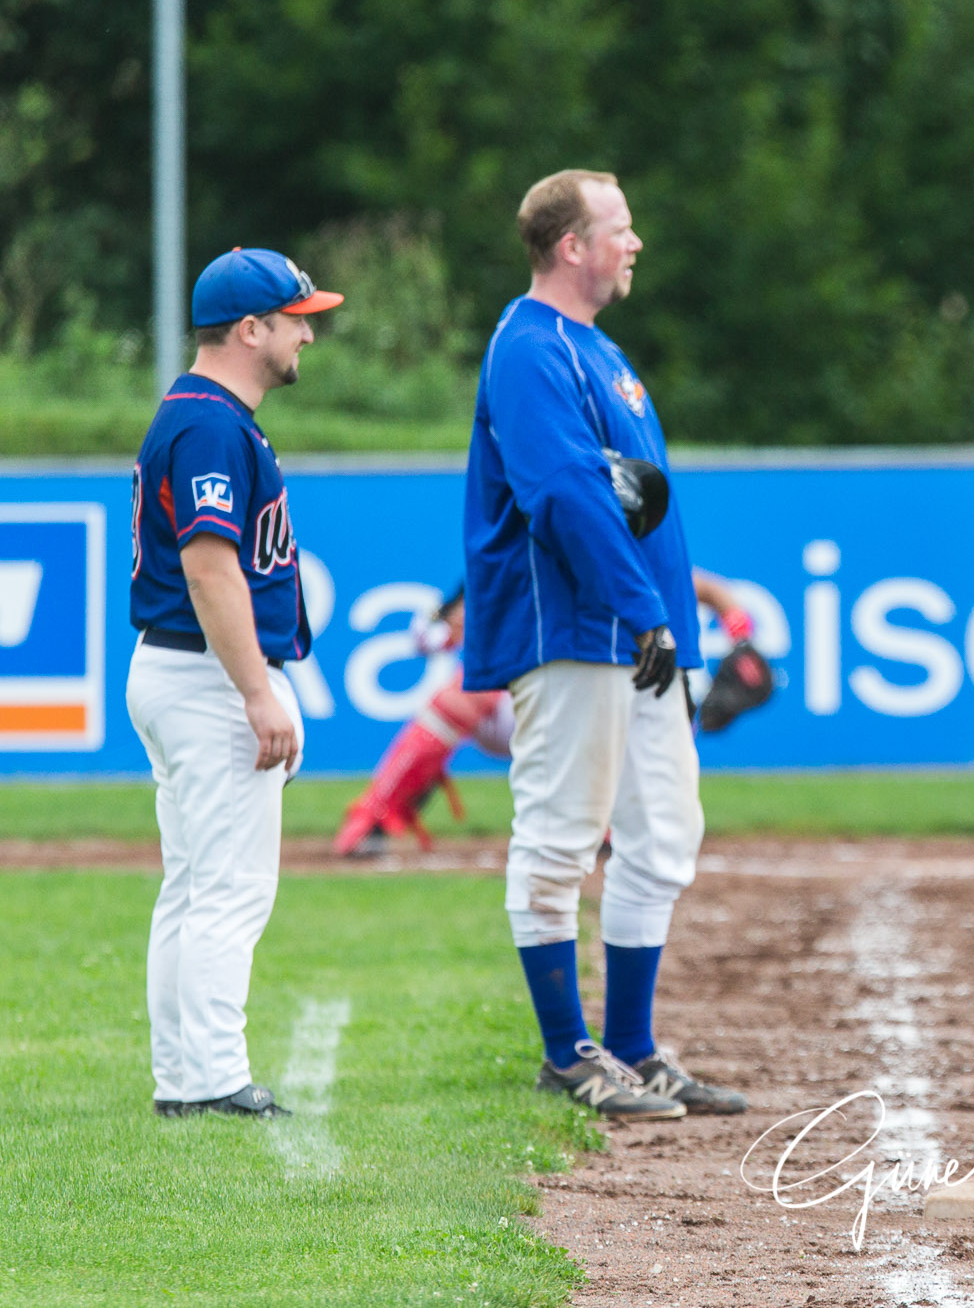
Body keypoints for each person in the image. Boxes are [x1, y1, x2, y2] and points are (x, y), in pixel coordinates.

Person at [462, 169, 745, 1121]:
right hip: (576, 628)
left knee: (662, 836)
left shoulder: (596, 350)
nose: (634, 243)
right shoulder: (528, 351)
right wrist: (644, 608)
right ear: (570, 246)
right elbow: (564, 494)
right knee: (558, 834)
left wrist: (660, 612)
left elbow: (630, 494)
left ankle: (630, 1048)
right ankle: (562, 1053)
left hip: (636, 630)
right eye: (618, 229)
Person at [126, 247, 343, 1118]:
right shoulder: (211, 423)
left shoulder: (202, 414)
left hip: (178, 669)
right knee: (229, 887)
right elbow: (211, 567)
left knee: (192, 883)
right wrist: (258, 690)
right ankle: (213, 1079)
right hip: (204, 675)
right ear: (250, 329)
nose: (309, 334)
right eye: (297, 318)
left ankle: (184, 1080)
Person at [332, 572, 760, 858]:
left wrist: (740, 634)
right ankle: (377, 814)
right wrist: (455, 624)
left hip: (601, 710)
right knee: (462, 691)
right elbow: (429, 637)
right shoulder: (511, 565)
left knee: (663, 700)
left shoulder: (623, 559)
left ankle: (622, 823)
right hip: (525, 706)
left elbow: (705, 587)